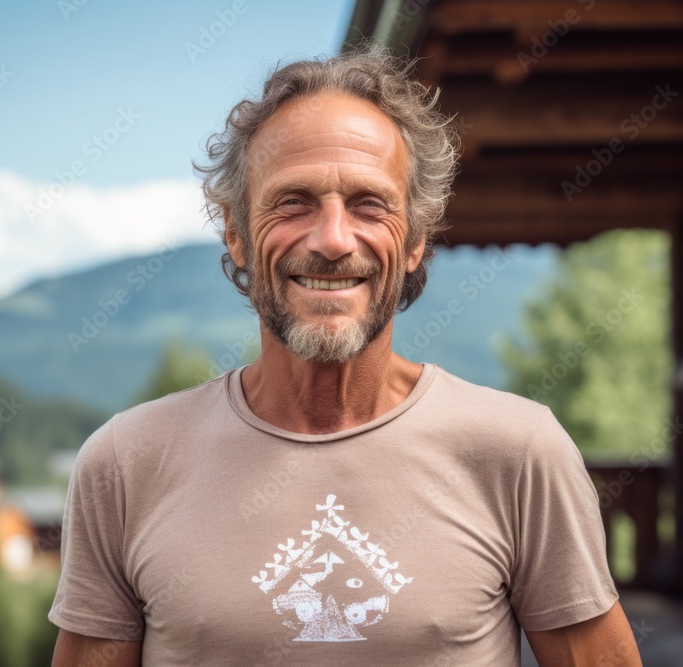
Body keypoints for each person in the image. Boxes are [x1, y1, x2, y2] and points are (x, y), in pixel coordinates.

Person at [49, 42, 641, 666]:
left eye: (369, 204)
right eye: (293, 202)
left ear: (414, 239)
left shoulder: (520, 453)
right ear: (236, 233)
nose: (333, 240)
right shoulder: (126, 464)